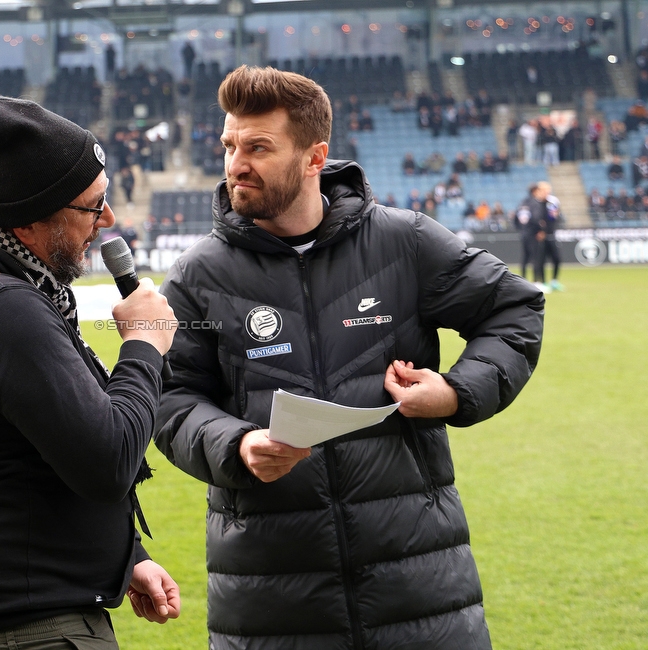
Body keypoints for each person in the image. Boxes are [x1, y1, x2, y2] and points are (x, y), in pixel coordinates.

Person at [153, 66, 544, 649]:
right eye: (230, 145)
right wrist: (234, 444)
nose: (236, 163)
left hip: (420, 590)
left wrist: (456, 392)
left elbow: (512, 311)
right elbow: (169, 396)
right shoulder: (197, 275)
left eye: (259, 147)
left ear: (315, 157)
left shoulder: (404, 241)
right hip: (272, 600)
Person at [0, 95, 181, 649]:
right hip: (20, 630)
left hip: (4, 611)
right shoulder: (2, 306)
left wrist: (124, 557)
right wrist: (144, 346)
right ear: (31, 216)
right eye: (93, 206)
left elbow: (24, 459)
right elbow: (107, 459)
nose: (109, 220)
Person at [536, 181, 564, 291]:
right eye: (544, 190)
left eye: (547, 190)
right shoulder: (537, 203)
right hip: (540, 237)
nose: (546, 192)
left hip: (551, 235)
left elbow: (555, 217)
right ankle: (543, 282)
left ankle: (554, 281)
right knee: (541, 260)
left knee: (557, 259)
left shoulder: (553, 202)